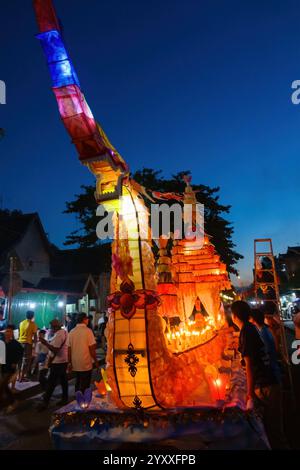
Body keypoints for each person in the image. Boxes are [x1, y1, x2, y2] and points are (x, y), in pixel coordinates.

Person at [231, 300, 289, 449]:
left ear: (234, 316)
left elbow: (249, 364)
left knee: (274, 431)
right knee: (271, 429)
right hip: (268, 382)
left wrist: (249, 392)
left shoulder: (247, 332)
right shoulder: (250, 329)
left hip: (266, 385)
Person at [38, 319, 69, 409]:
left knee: (51, 382)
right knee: (63, 381)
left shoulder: (59, 335)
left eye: (51, 327)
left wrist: (45, 343)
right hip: (64, 360)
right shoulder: (64, 332)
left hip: (58, 362)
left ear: (55, 327)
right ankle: (65, 398)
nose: (50, 329)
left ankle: (45, 402)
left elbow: (55, 349)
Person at [67, 312, 99, 393]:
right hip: (85, 363)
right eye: (87, 318)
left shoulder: (72, 332)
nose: (88, 320)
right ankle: (84, 401)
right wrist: (96, 361)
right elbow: (92, 349)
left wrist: (69, 362)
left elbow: (69, 349)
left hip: (75, 363)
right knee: (85, 384)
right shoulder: (88, 331)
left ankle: (77, 400)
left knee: (77, 382)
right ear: (84, 320)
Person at [250, 308, 282, 384]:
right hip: (272, 364)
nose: (249, 320)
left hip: (271, 366)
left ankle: (280, 388)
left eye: (250, 318)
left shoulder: (263, 332)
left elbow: (267, 350)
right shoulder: (262, 329)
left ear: (253, 319)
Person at [0, 325, 23, 411]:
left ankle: (13, 401)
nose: (8, 333)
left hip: (10, 368)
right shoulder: (1, 342)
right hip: (3, 367)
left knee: (2, 385)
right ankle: (10, 402)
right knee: (4, 386)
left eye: (10, 332)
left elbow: (21, 352)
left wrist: (15, 362)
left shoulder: (15, 344)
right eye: (7, 331)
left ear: (12, 333)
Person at [18, 311, 38, 382]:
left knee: (20, 360)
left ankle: (18, 376)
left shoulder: (21, 323)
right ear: (32, 316)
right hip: (27, 344)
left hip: (20, 343)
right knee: (26, 360)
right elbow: (35, 336)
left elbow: (19, 333)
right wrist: (35, 346)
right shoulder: (33, 324)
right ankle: (22, 377)